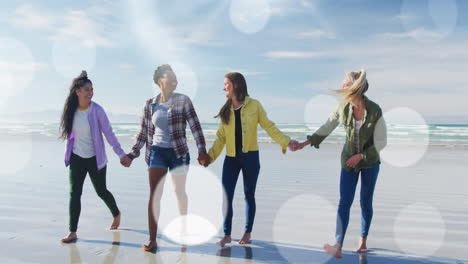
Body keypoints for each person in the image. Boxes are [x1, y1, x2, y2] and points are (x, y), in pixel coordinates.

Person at [296, 69, 387, 258]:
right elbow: (328, 125)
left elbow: (381, 141)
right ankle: (338, 244)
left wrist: (361, 156)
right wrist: (306, 142)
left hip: (369, 162)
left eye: (345, 83)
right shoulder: (343, 108)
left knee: (365, 202)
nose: (342, 86)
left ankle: (363, 240)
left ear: (354, 87)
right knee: (344, 202)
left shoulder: (375, 110)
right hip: (348, 162)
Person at [203, 72, 298, 247]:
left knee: (249, 195)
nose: (224, 87)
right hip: (231, 159)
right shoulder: (226, 110)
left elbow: (269, 126)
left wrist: (286, 141)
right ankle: (226, 234)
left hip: (251, 158)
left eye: (226, 84)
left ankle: (247, 232)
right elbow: (220, 138)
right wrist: (210, 157)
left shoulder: (255, 105)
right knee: (226, 196)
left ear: (236, 85)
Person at [121, 64, 210, 251]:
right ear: (160, 80)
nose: (174, 81)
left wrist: (202, 151)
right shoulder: (150, 104)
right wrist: (132, 154)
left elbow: (195, 127)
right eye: (170, 77)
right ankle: (153, 239)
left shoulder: (183, 100)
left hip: (179, 152)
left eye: (175, 78)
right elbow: (143, 133)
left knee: (179, 193)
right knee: (155, 195)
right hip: (157, 152)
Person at [60, 71, 128, 243]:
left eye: (92, 89)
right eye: (87, 89)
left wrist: (121, 154)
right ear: (77, 91)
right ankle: (72, 231)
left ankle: (116, 213)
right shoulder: (71, 110)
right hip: (77, 157)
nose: (90, 92)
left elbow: (109, 134)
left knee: (101, 191)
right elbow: (70, 135)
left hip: (95, 158)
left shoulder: (97, 110)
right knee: (74, 193)